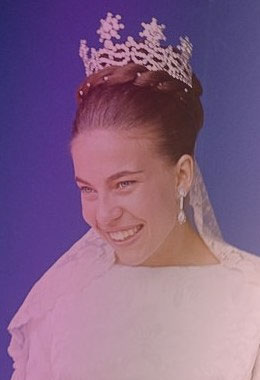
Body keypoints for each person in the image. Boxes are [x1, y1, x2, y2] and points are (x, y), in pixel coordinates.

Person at [7, 12, 260, 380]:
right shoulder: (58, 302)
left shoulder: (251, 301)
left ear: (183, 174)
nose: (105, 215)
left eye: (124, 183)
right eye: (87, 189)